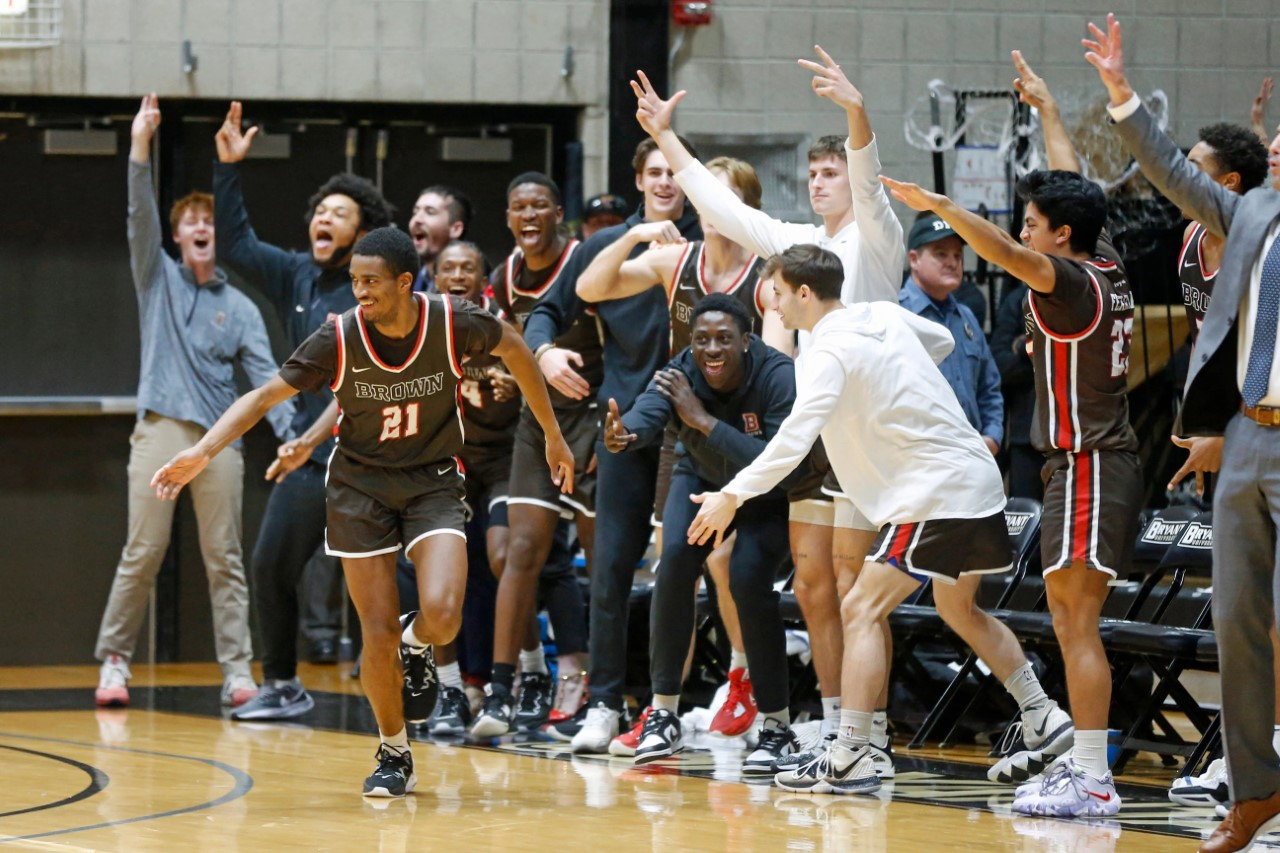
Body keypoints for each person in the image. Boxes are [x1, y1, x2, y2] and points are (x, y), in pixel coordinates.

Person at [150, 227, 574, 797]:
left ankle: (418, 640)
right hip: (359, 488)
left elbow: (517, 350)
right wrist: (202, 452)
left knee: (443, 613)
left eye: (371, 282)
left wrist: (551, 433)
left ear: (405, 282)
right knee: (374, 632)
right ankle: (394, 750)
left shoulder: (452, 321)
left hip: (432, 482)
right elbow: (262, 397)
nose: (360, 292)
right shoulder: (338, 337)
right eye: (354, 282)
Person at [686, 245, 1069, 797]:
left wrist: (732, 495)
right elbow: (937, 343)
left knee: (861, 608)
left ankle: (852, 752)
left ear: (800, 291)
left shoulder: (826, 354)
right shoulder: (882, 314)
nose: (771, 303)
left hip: (933, 491)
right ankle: (1042, 714)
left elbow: (793, 441)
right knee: (958, 607)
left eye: (774, 291)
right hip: (978, 482)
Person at [876, 49, 1143, 817]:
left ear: (1058, 238)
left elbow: (1006, 251)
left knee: (1073, 616)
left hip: (1089, 460)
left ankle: (1091, 773)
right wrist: (1052, 113)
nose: (1023, 232)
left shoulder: (1064, 282)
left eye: (1034, 224)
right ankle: (1083, 762)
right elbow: (1080, 196)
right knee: (1067, 615)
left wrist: (943, 205)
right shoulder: (1105, 261)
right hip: (1082, 462)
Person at [631, 47, 906, 767]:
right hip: (817, 439)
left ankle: (865, 735)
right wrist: (666, 136)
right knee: (813, 584)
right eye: (812, 172)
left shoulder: (875, 240)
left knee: (855, 588)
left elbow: (871, 181)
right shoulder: (805, 245)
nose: (820, 181)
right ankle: (834, 721)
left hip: (872, 433)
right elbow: (723, 208)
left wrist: (855, 112)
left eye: (831, 171)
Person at [1083, 14, 1280, 850]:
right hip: (1250, 436)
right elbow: (1171, 175)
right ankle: (1256, 790)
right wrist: (1123, 98)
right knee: (1233, 622)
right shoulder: (1254, 212)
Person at [94, 94, 294, 709]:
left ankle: (237, 672)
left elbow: (267, 380)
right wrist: (140, 146)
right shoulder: (156, 280)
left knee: (224, 555)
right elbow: (137, 217)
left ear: (217, 235)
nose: (201, 228)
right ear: (178, 237)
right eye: (190, 223)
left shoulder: (241, 308)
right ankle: (115, 661)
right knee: (144, 550)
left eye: (209, 221)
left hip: (219, 441)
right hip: (159, 430)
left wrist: (294, 437)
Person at [211, 101, 394, 721]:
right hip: (313, 462)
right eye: (320, 211)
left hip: (372, 464)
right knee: (270, 566)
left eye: (338, 213)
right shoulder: (297, 276)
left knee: (389, 590)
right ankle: (283, 683)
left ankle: (433, 686)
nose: (324, 218)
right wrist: (228, 168)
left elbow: (361, 388)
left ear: (361, 231)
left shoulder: (373, 291)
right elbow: (234, 242)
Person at [524, 141, 704, 753]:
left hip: (698, 426)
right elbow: (546, 311)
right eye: (654, 171)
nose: (664, 182)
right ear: (638, 180)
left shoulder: (714, 245)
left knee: (692, 566)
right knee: (610, 566)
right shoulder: (607, 247)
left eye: (675, 172)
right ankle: (603, 703)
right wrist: (545, 352)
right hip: (626, 420)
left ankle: (676, 707)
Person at [604, 295, 802, 771]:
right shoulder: (682, 368)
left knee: (749, 579)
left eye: (724, 339)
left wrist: (702, 420)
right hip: (700, 479)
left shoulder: (778, 377)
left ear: (747, 341)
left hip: (762, 489)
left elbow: (777, 463)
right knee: (673, 561)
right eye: (701, 340)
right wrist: (626, 432)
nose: (711, 349)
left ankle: (777, 726)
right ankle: (663, 714)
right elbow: (649, 410)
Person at [1163, 120, 1279, 810]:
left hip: (1257, 424)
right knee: (1239, 616)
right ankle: (1254, 769)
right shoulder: (1194, 240)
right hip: (1243, 422)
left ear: (1227, 183)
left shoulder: (1254, 228)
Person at [471, 173, 603, 738]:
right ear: (508, 218)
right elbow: (511, 349)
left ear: (557, 215)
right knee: (518, 550)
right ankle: (506, 690)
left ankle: (604, 692)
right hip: (539, 420)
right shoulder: (504, 276)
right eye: (518, 206)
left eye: (539, 206)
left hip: (596, 417)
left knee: (603, 567)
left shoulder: (582, 262)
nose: (528, 215)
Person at [899, 214, 1003, 455]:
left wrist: (992, 437)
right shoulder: (897, 314)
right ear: (914, 259)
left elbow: (990, 387)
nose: (953, 262)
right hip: (918, 458)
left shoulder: (965, 317)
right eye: (941, 254)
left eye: (957, 255)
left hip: (973, 455)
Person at [409, 185, 472, 292]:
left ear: (456, 229)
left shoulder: (474, 284)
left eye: (430, 212)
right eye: (415, 212)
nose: (417, 219)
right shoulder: (409, 283)